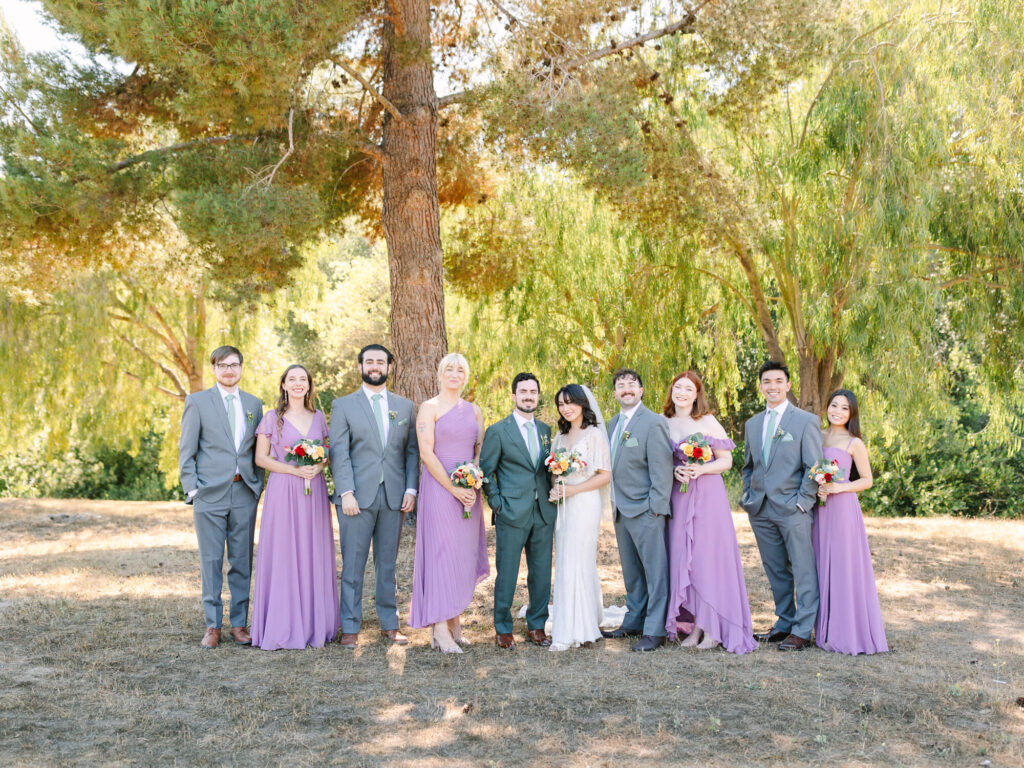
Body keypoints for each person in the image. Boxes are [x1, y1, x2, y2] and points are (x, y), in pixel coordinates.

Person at [328, 344, 419, 649]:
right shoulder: (343, 405)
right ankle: (350, 626)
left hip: (393, 496)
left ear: (389, 367)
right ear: (360, 366)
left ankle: (389, 624)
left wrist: (410, 489)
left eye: (381, 361)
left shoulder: (405, 406)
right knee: (353, 565)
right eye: (369, 361)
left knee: (388, 564)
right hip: (356, 498)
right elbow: (339, 453)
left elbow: (411, 452)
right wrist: (346, 492)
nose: (375, 366)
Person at [663, 372, 756, 654]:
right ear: (671, 390)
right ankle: (695, 626)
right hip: (679, 496)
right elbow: (657, 460)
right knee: (685, 558)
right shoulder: (662, 421)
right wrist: (674, 470)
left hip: (707, 495)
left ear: (697, 394)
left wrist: (701, 468)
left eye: (688, 389)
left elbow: (726, 461)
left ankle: (713, 629)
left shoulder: (707, 421)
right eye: (678, 386)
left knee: (706, 559)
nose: (682, 392)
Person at [178, 345, 264, 649]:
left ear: (241, 368)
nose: (229, 370)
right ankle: (213, 625)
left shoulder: (254, 404)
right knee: (211, 560)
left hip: (244, 492)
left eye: (234, 365)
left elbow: (257, 449)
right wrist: (193, 489)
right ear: (214, 369)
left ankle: (239, 624)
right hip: (209, 494)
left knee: (242, 561)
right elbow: (186, 450)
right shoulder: (198, 402)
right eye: (223, 365)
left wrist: (257, 486)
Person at [251, 365, 338, 649]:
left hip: (313, 491)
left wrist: (318, 467)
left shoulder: (319, 417)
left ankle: (313, 624)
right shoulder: (271, 418)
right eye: (292, 379)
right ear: (284, 385)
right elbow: (261, 458)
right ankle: (283, 623)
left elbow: (326, 455)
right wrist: (294, 471)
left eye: (303, 379)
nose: (298, 383)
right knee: (285, 550)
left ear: (309, 385)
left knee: (313, 550)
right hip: (283, 491)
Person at [740, 360, 823, 651]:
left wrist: (803, 502)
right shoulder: (752, 424)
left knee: (803, 569)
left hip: (793, 509)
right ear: (760, 386)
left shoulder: (805, 421)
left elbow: (814, 466)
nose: (772, 386)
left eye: (778, 381)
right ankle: (785, 621)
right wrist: (748, 495)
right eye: (766, 381)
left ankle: (802, 630)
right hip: (760, 508)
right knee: (775, 569)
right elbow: (749, 466)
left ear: (788, 385)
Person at [409, 353, 488, 653]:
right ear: (441, 373)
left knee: (462, 555)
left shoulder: (474, 410)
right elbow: (426, 454)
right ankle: (439, 628)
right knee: (441, 554)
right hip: (440, 489)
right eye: (450, 369)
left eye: (460, 370)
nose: (455, 374)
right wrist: (453, 488)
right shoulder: (429, 408)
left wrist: (472, 478)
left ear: (465, 376)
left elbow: (478, 450)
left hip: (468, 492)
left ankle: (455, 622)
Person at [480, 373, 558, 650]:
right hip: (511, 512)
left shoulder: (546, 431)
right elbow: (486, 472)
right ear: (513, 396)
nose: (528, 396)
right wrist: (497, 503)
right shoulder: (498, 431)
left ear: (538, 396)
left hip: (543, 511)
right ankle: (503, 628)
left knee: (541, 573)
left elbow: (547, 469)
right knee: (507, 573)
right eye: (523, 391)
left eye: (533, 392)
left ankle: (537, 625)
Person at [601, 368, 674, 652]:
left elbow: (661, 470)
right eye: (621, 385)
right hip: (621, 509)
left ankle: (655, 630)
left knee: (655, 574)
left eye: (632, 384)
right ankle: (634, 620)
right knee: (632, 572)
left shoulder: (654, 422)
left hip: (646, 510)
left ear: (641, 391)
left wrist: (656, 509)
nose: (627, 389)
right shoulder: (612, 423)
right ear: (615, 393)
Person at [813, 389, 888, 655]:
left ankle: (845, 631)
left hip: (843, 508)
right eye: (834, 405)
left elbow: (867, 480)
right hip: (818, 508)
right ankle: (822, 628)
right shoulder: (817, 435)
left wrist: (839, 487)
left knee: (843, 565)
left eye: (844, 408)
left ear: (851, 413)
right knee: (820, 564)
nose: (837, 411)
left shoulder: (854, 442)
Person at [546, 384, 611, 651]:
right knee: (564, 558)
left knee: (580, 558)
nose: (566, 408)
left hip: (585, 502)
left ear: (582, 403)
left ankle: (583, 627)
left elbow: (604, 475)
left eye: (570, 402)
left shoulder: (594, 435)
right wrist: (556, 488)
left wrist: (574, 490)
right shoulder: (560, 437)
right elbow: (554, 472)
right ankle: (567, 623)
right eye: (561, 404)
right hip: (564, 504)